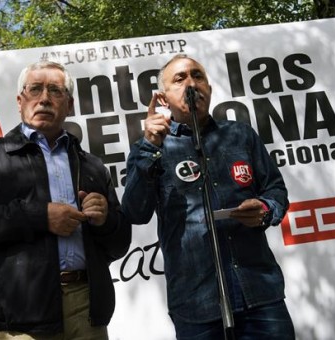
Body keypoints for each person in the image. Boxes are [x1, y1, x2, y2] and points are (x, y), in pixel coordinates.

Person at [0, 61, 131, 340]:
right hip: (15, 317)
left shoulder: (91, 165)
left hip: (87, 310)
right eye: (35, 89)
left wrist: (106, 221)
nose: (44, 98)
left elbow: (119, 244)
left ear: (69, 104)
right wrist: (39, 216)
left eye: (55, 90)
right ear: (20, 101)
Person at [121, 54, 294, 339]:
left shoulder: (240, 134)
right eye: (180, 78)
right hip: (196, 305)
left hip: (260, 294)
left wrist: (264, 208)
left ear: (210, 89)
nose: (191, 83)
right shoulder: (151, 148)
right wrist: (149, 146)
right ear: (163, 99)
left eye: (197, 76)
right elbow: (135, 212)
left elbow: (276, 190)